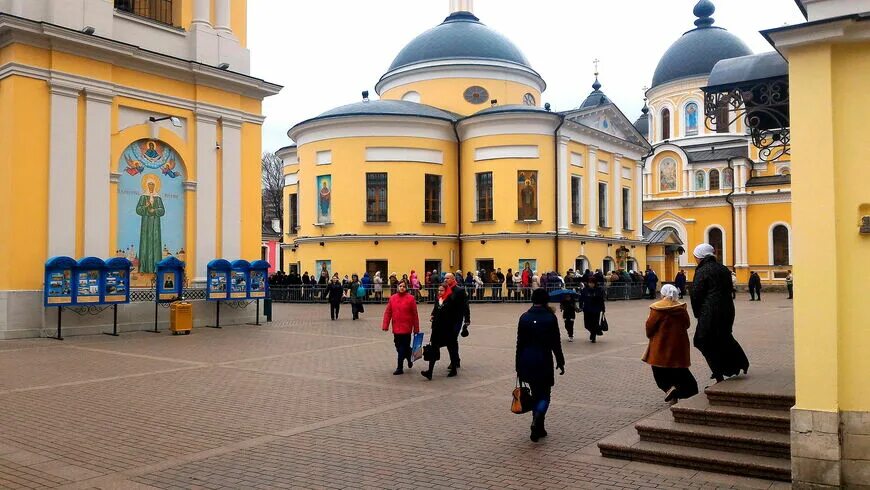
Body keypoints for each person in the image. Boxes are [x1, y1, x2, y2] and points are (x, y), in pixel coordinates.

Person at [690, 244, 750, 382]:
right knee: (723, 337)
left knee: (702, 341)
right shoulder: (723, 269)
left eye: (695, 257)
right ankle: (737, 364)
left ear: (699, 257)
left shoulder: (702, 270)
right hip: (727, 309)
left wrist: (698, 313)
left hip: (710, 311)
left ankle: (719, 374)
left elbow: (696, 294)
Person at [516, 288, 565, 442]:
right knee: (544, 395)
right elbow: (555, 342)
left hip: (526, 359)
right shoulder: (550, 318)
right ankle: (537, 419)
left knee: (535, 393)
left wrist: (517, 364)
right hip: (543, 358)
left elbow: (520, 343)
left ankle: (539, 427)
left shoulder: (524, 317)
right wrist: (560, 360)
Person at [643, 284, 699, 403]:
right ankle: (675, 394)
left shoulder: (657, 308)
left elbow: (650, 326)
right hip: (679, 345)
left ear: (663, 294)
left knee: (659, 371)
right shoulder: (681, 308)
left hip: (661, 345)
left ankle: (671, 390)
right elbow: (687, 324)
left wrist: (651, 336)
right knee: (677, 370)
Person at [421, 273, 470, 379]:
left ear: (453, 279)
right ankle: (430, 372)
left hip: (449, 327)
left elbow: (464, 307)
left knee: (451, 346)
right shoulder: (439, 298)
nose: (439, 292)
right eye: (438, 290)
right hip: (437, 328)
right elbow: (435, 308)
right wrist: (433, 315)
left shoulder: (455, 295)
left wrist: (466, 320)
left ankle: (454, 366)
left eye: (448, 278)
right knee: (434, 348)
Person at [382, 280, 420, 375]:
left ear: (406, 288)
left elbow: (415, 315)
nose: (402, 288)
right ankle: (409, 356)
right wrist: (385, 325)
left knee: (402, 348)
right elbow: (388, 312)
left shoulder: (411, 299)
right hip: (396, 328)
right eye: (400, 286)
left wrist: (416, 329)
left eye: (404, 286)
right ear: (398, 287)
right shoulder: (393, 298)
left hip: (406, 328)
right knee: (398, 347)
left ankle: (400, 367)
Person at [580, 276, 605, 343]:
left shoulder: (599, 290)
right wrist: (580, 306)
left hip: (596, 309)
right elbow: (581, 298)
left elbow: (601, 300)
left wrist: (603, 308)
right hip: (587, 309)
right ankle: (594, 331)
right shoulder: (585, 290)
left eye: (592, 283)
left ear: (595, 283)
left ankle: (593, 336)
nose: (591, 284)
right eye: (590, 283)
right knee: (587, 324)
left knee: (595, 323)